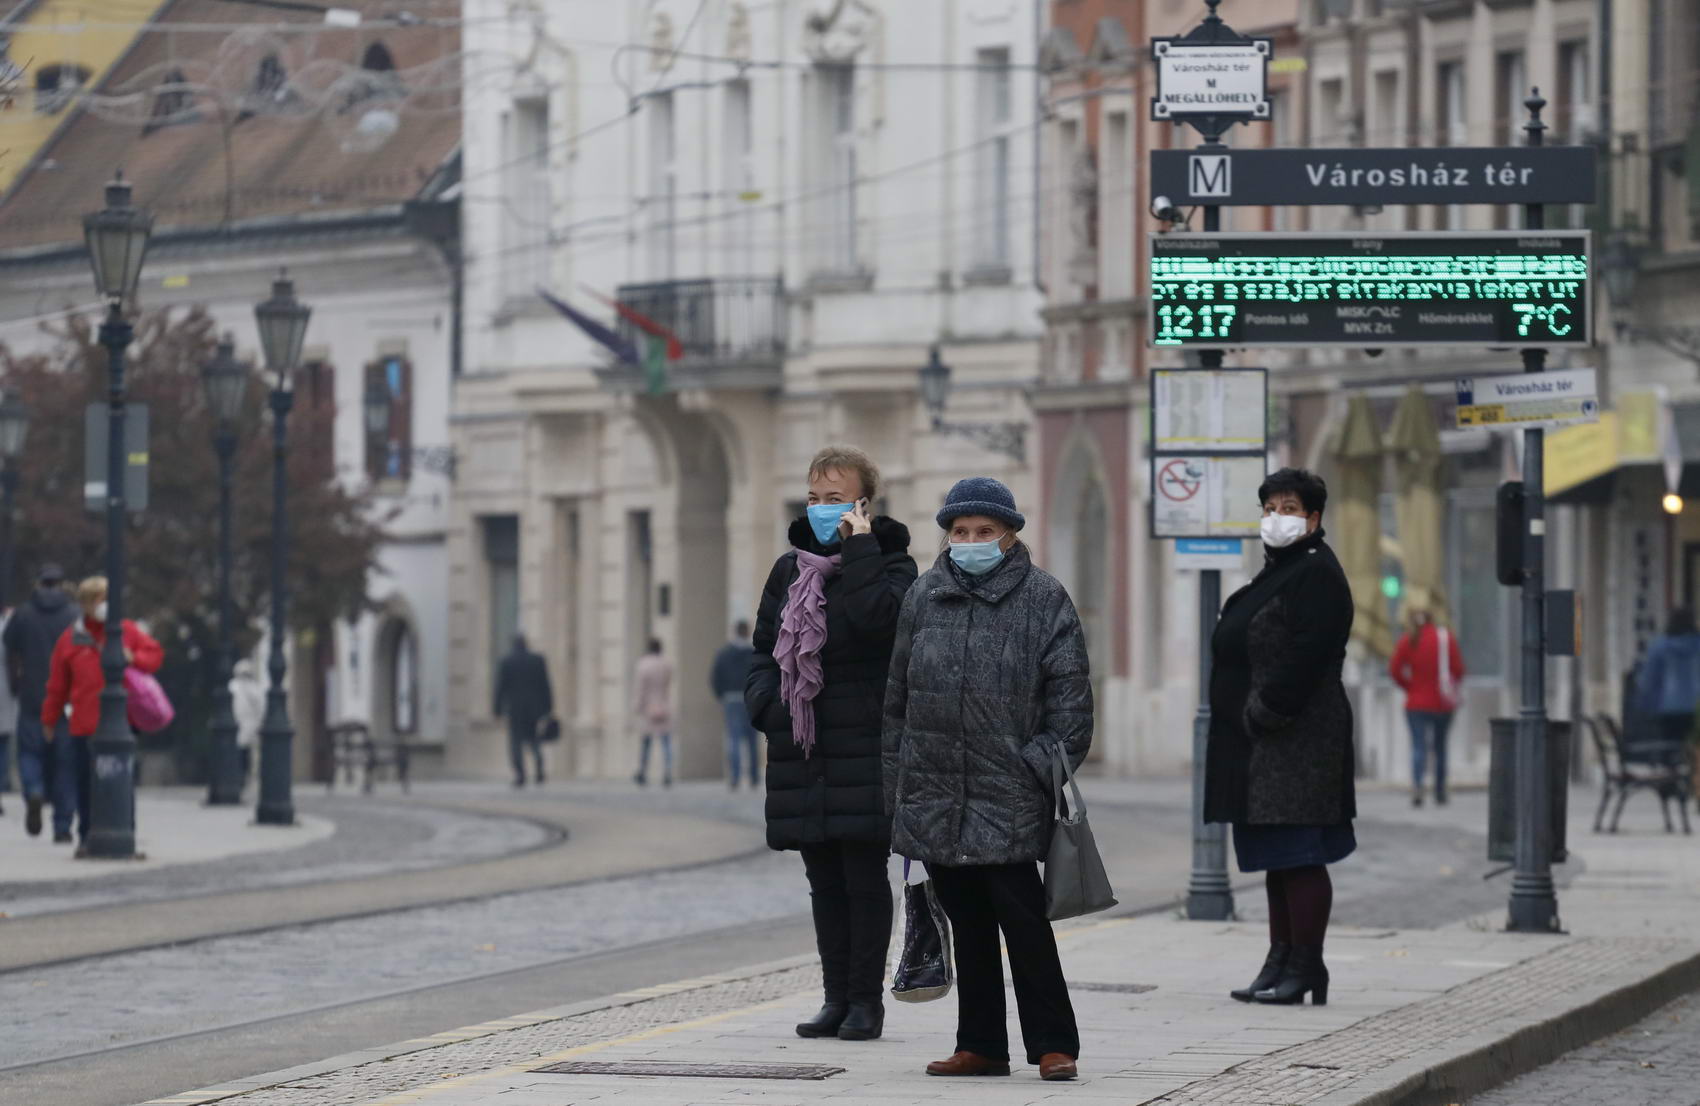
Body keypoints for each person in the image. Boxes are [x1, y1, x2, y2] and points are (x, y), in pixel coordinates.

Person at [884, 476, 1090, 1083]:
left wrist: (1035, 767)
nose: (970, 540)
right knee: (967, 921)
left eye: (984, 531)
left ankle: (1053, 1044)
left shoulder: (1044, 598)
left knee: (1024, 923)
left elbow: (1072, 704)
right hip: (936, 790)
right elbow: (896, 701)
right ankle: (980, 1045)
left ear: (1009, 535)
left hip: (1009, 793)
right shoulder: (923, 596)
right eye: (960, 531)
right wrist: (898, 783)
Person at [748, 445, 916, 1044]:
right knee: (823, 879)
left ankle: (866, 1003)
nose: (821, 508)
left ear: (864, 503)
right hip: (804, 745)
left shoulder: (894, 565)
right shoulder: (788, 570)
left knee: (863, 878)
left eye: (836, 498)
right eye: (814, 497)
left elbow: (880, 623)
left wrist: (860, 548)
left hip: (864, 745)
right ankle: (834, 998)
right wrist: (768, 706)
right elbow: (764, 650)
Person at [1206, 468, 1355, 1009]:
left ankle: (1307, 965)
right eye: (1269, 508)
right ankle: (1280, 960)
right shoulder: (1280, 570)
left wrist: (1265, 712)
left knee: (1300, 855)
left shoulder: (1316, 573)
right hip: (1265, 745)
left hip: (1297, 741)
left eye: (1289, 508)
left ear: (1313, 518)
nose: (1276, 517)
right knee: (1277, 857)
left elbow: (1309, 653)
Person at [41, 575, 163, 856]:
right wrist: (49, 718)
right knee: (86, 783)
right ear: (85, 604)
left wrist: (133, 657)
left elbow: (154, 655)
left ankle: (125, 832)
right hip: (84, 723)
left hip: (121, 723)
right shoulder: (71, 639)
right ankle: (86, 836)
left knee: (122, 782)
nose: (105, 605)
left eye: (108, 599)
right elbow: (57, 685)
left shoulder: (126, 631)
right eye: (99, 599)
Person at [5, 565, 77, 840]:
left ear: (39, 583)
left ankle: (34, 791)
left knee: (29, 753)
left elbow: (9, 649)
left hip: (33, 695)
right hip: (66, 701)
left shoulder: (23, 614)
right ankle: (62, 826)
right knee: (65, 764)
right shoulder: (73, 615)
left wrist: (16, 684)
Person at [1390, 605, 1466, 807]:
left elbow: (1394, 669)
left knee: (1418, 746)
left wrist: (1409, 686)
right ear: (1432, 617)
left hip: (1416, 703)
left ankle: (1418, 786)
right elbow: (1459, 669)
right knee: (1440, 747)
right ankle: (1440, 791)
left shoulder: (1408, 640)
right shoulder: (1445, 639)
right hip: (1442, 703)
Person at [494, 633, 554, 788]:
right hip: (534, 709)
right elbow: (545, 685)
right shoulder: (537, 660)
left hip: (515, 709)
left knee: (516, 743)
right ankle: (539, 768)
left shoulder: (507, 662)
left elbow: (501, 688)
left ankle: (520, 775)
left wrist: (497, 710)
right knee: (534, 740)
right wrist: (549, 708)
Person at [1636, 608, 1700, 750]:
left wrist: (1645, 706)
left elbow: (1648, 681)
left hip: (1668, 708)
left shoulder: (1660, 646)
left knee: (1671, 749)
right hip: (1697, 707)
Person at [712, 620, 758, 789]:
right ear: (747, 632)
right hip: (750, 699)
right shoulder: (754, 653)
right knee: (752, 740)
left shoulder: (724, 654)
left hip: (731, 698)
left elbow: (715, 676)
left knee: (734, 739)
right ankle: (754, 777)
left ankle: (735, 777)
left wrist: (721, 695)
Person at [632, 639, 673, 787]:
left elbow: (640, 688)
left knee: (646, 743)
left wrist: (637, 705)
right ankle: (668, 770)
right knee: (666, 741)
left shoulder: (643, 665)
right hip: (663, 705)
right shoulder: (666, 664)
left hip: (648, 707)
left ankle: (643, 771)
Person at [230, 658, 265, 786]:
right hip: (236, 724)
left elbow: (260, 707)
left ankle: (244, 777)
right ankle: (238, 777)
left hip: (249, 725)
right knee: (237, 753)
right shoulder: (233, 686)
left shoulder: (253, 688)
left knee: (246, 753)